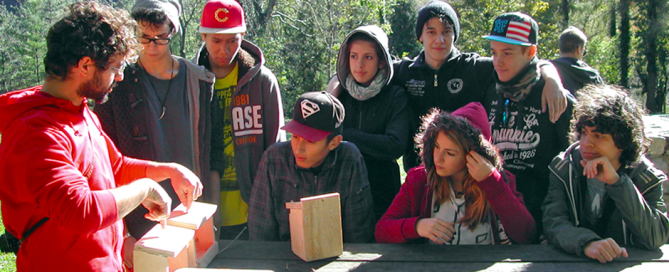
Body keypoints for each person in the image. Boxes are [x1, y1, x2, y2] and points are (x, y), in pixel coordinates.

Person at [0, 2, 202, 271]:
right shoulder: (37, 132)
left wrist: (168, 170)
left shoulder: (80, 112)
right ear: (85, 65)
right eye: (115, 68)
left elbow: (114, 167)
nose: (119, 77)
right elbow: (81, 211)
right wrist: (144, 188)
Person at [94, 0, 215, 259]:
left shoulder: (199, 80)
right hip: (138, 213)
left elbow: (209, 148)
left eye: (160, 38)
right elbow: (104, 160)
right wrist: (123, 234)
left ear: (173, 31)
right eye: (143, 37)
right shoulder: (117, 83)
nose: (151, 45)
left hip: (191, 208)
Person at [386, 0, 570, 171]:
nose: (439, 40)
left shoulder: (474, 68)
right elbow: (373, 67)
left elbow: (527, 62)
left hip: (465, 175)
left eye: (447, 31)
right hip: (418, 171)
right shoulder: (404, 71)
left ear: (455, 35)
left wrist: (553, 79)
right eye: (431, 32)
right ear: (420, 36)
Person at [376, 102, 536, 244]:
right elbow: (382, 231)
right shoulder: (419, 179)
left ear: (474, 155)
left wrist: (492, 182)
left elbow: (526, 235)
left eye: (450, 153)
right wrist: (417, 226)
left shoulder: (501, 180)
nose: (437, 158)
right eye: (436, 146)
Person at [542, 85, 669, 263]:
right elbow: (553, 223)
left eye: (599, 136)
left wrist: (618, 183)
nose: (586, 143)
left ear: (623, 141)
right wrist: (587, 243)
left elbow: (655, 238)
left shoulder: (646, 178)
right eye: (584, 133)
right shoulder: (564, 167)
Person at [192, 0, 286, 239]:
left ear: (243, 35)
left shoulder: (262, 81)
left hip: (253, 209)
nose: (224, 49)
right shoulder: (190, 81)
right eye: (216, 41)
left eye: (233, 40)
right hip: (201, 208)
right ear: (203, 35)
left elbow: (276, 147)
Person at [482, 12, 575, 238]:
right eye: (494, 53)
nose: (498, 61)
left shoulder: (555, 97)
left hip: (543, 221)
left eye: (507, 53)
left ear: (530, 52)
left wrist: (551, 78)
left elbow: (575, 162)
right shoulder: (489, 88)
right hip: (494, 217)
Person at [247, 91, 375, 243]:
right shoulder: (274, 159)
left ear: (334, 142)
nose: (298, 149)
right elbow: (260, 232)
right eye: (295, 136)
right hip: (280, 256)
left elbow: (358, 235)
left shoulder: (349, 160)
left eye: (310, 140)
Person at [327, 25, 411, 221]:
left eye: (368, 57)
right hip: (340, 190)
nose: (359, 65)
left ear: (382, 61)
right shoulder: (338, 94)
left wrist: (344, 135)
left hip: (382, 192)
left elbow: (394, 145)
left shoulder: (395, 95)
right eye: (354, 56)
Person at [550, 26, 604, 96]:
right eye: (584, 51)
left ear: (560, 50)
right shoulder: (593, 76)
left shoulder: (547, 70)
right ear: (578, 49)